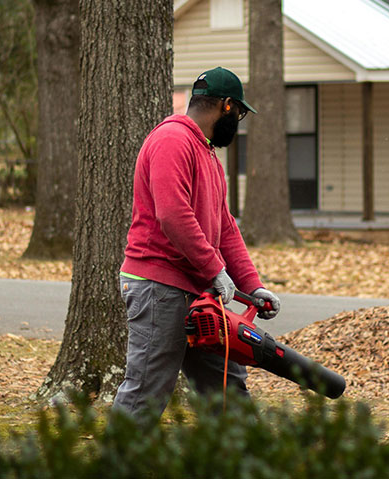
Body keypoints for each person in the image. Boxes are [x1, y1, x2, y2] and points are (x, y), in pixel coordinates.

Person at [113, 67, 281, 416]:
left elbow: (226, 228)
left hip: (200, 291)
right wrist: (215, 269)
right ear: (226, 106)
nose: (239, 124)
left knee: (225, 387)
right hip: (158, 287)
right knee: (146, 390)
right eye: (240, 114)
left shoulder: (206, 154)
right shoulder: (172, 140)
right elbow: (172, 215)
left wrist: (253, 285)